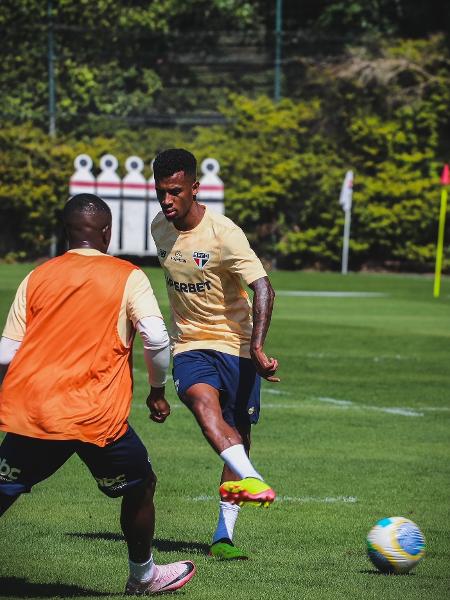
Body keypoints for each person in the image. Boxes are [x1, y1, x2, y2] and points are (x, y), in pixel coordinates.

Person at [0, 194, 196, 595]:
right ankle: (143, 577)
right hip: (95, 414)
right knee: (141, 485)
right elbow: (157, 337)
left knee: (3, 487)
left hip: (36, 410)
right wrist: (157, 390)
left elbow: (6, 353)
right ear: (106, 232)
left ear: (65, 232)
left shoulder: (37, 275)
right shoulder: (127, 275)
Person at [151, 149, 279, 561]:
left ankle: (223, 537)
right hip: (189, 344)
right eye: (160, 192)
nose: (167, 201)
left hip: (237, 346)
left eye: (174, 192)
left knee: (239, 435)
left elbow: (264, 287)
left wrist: (257, 346)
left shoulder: (224, 233)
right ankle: (253, 477)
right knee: (204, 403)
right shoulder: (160, 228)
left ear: (194, 188)